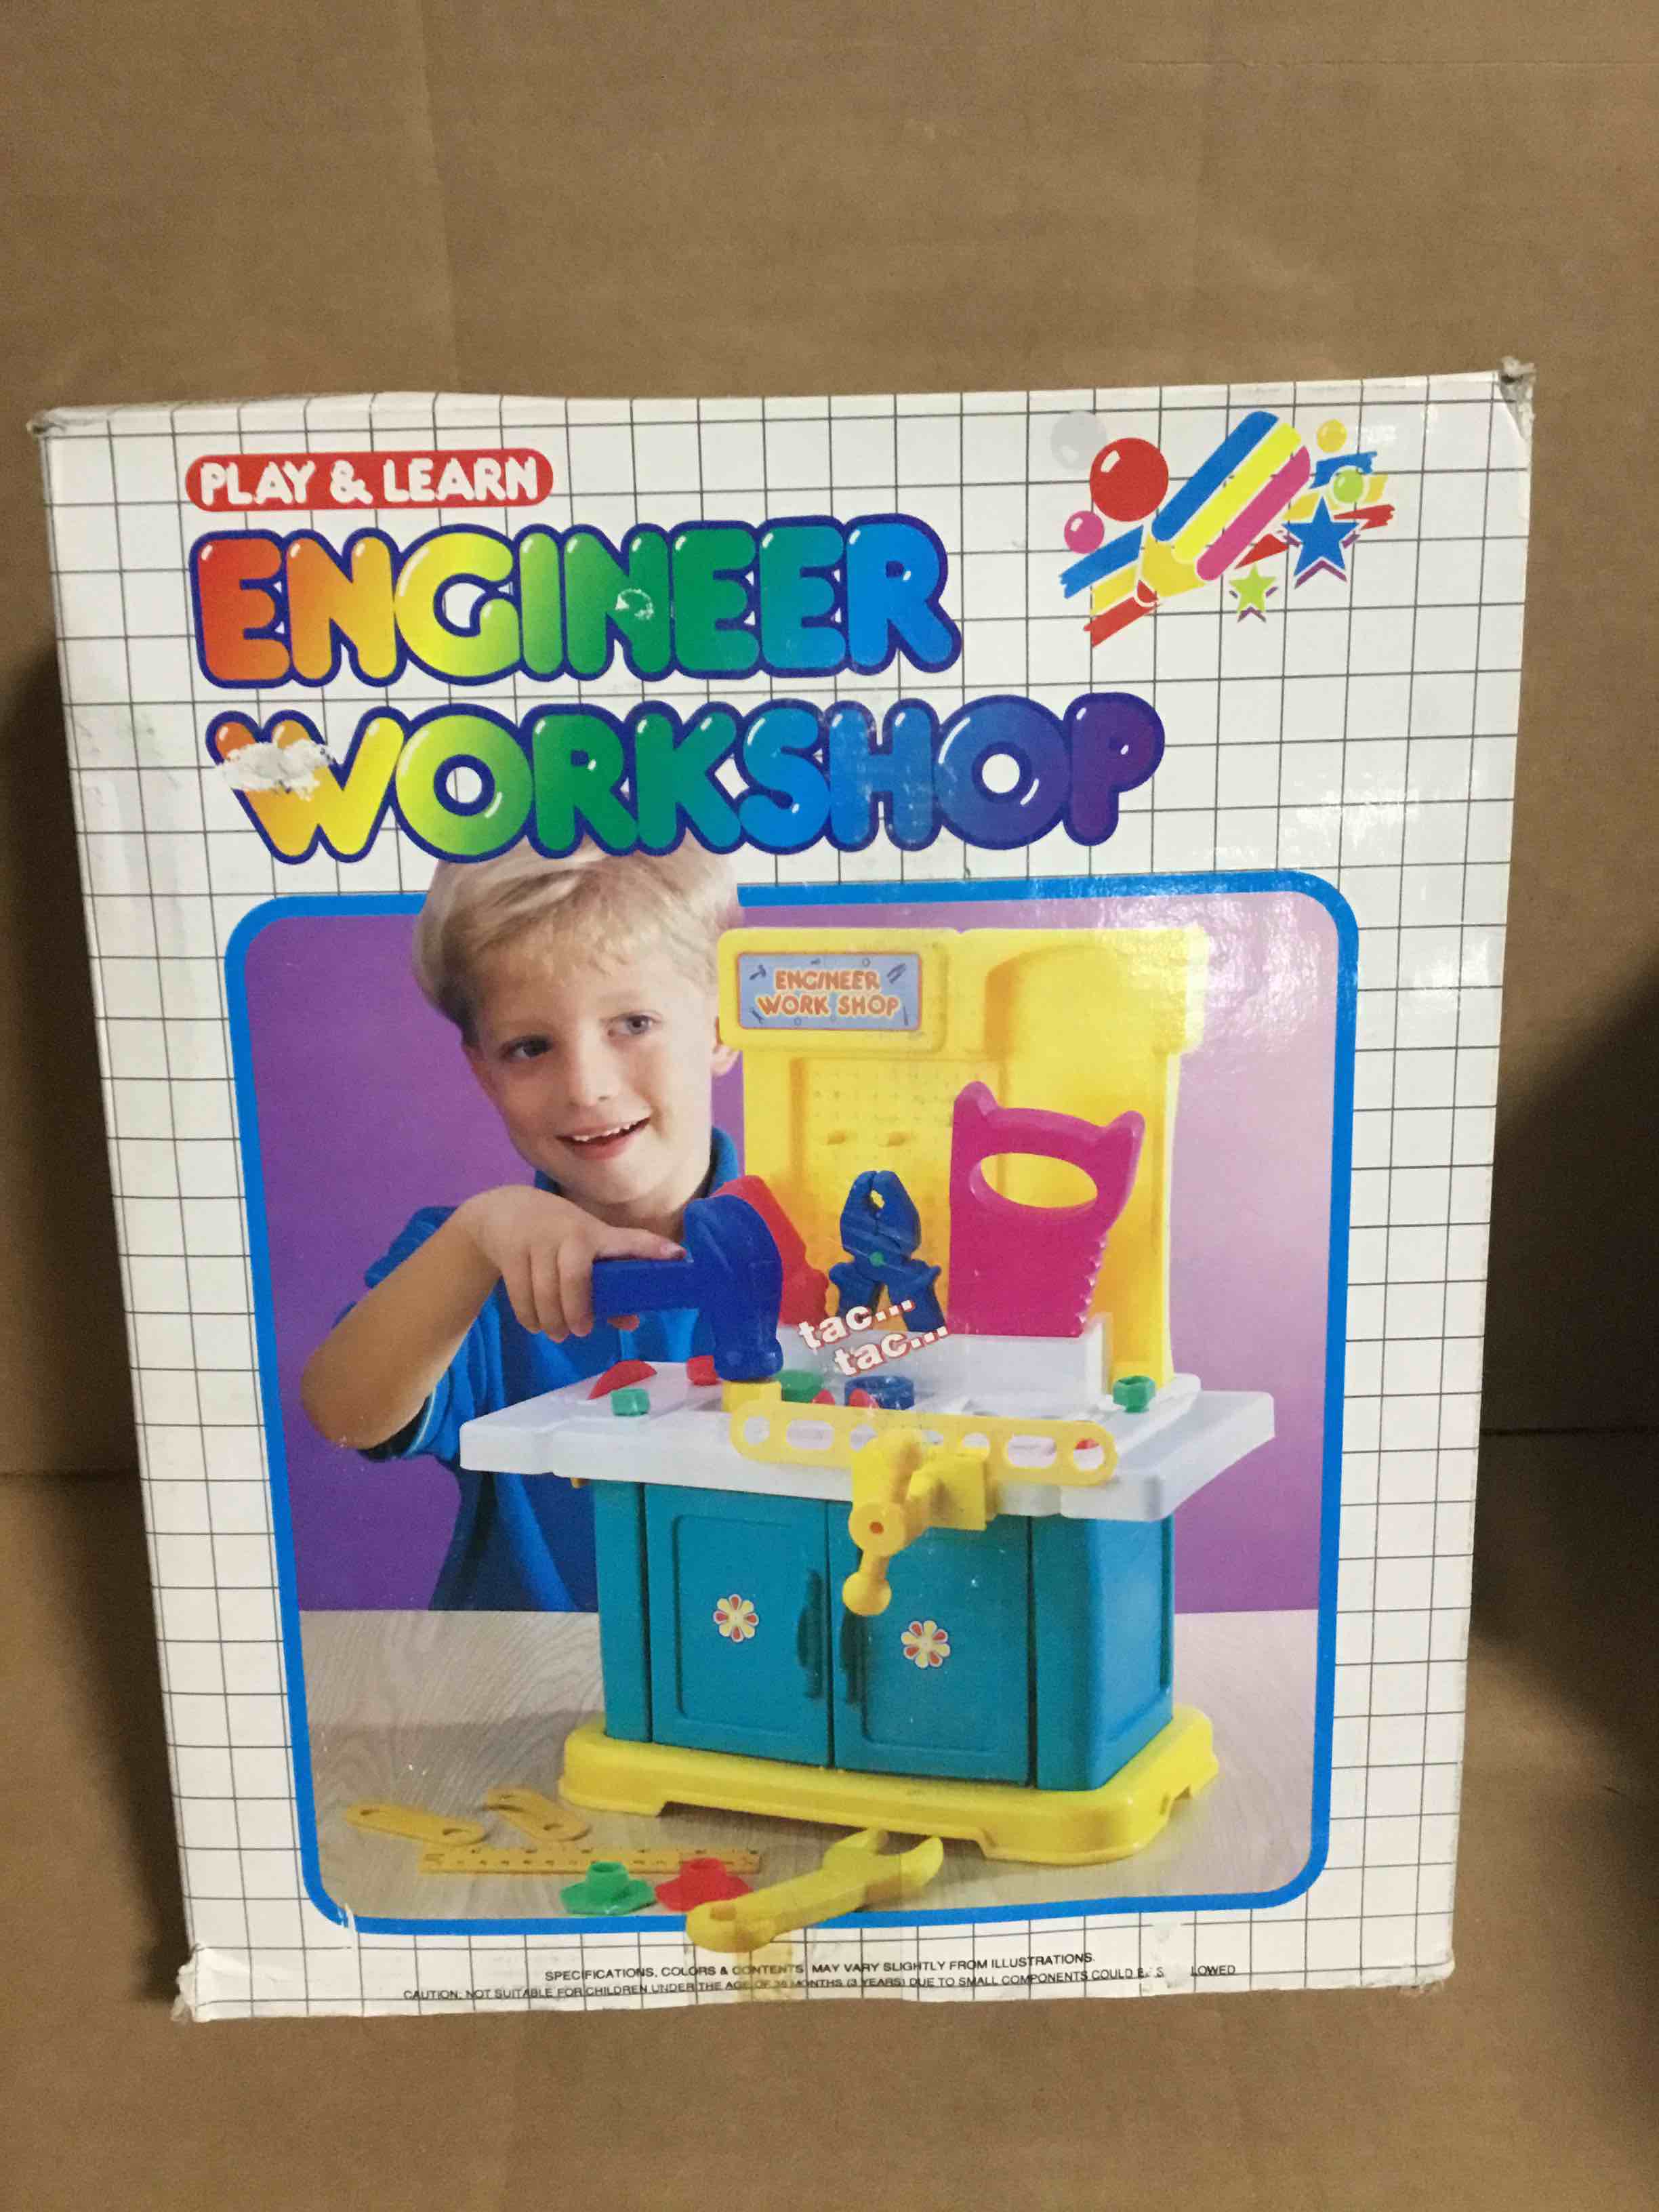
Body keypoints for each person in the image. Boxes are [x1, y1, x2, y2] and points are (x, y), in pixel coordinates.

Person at [300, 842, 739, 1610]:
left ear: (722, 1022)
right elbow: (343, 1415)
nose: (587, 1087)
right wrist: (476, 1239)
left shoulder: (837, 1249)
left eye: (633, 1022)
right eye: (530, 1047)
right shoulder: (468, 1259)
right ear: (484, 1071)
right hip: (526, 1674)